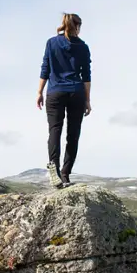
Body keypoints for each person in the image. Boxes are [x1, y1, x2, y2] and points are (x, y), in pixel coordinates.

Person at [37, 12, 92, 189]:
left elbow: (45, 68)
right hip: (76, 92)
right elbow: (86, 76)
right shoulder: (83, 47)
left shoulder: (51, 43)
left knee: (55, 131)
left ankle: (55, 172)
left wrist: (39, 92)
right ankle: (66, 174)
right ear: (77, 26)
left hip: (54, 92)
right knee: (73, 134)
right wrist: (88, 100)